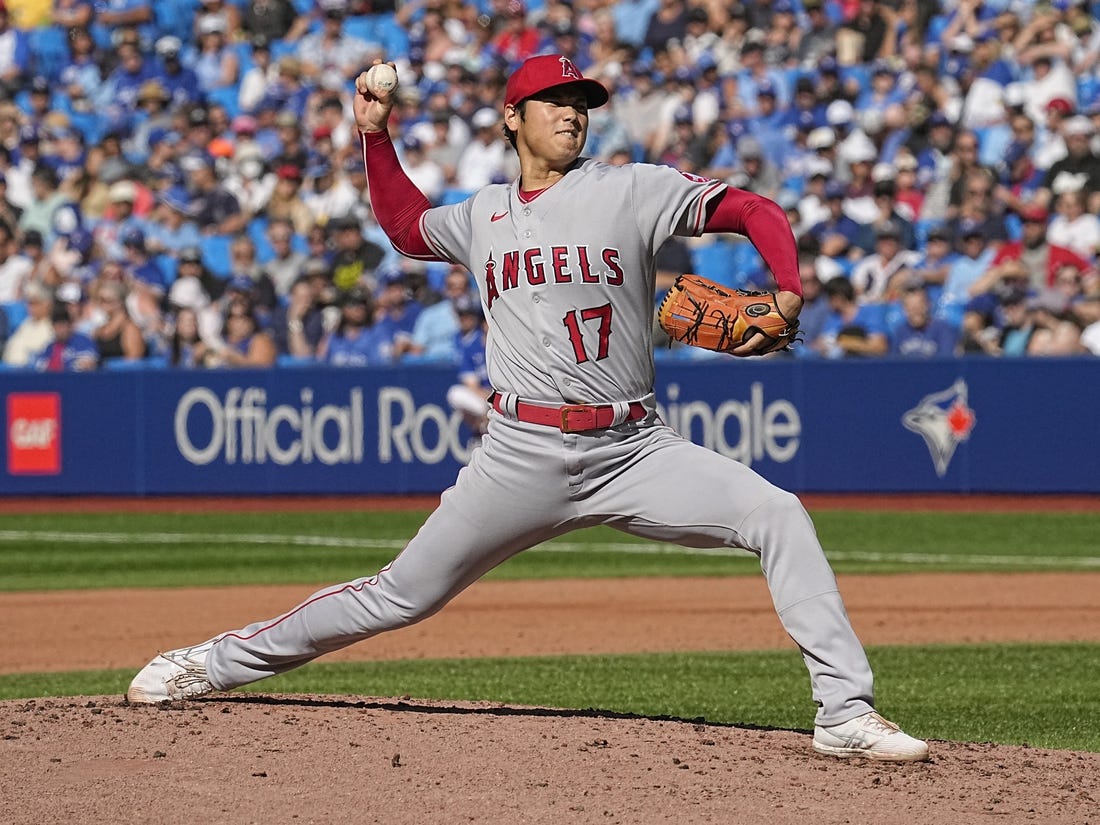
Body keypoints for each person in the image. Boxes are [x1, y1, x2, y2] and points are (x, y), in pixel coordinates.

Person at [128, 54, 929, 763]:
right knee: (401, 593)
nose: (573, 111)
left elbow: (755, 210)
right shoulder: (484, 215)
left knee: (778, 513)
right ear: (513, 117)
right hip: (520, 451)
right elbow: (406, 226)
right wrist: (375, 137)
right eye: (554, 98)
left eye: (581, 99)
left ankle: (845, 710)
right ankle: (211, 662)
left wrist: (787, 288)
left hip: (635, 447)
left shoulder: (634, 189)